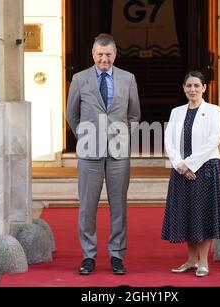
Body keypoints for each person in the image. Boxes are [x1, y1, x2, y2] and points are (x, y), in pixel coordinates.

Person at [66, 34, 141, 275]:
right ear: (93, 53)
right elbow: (72, 114)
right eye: (100, 54)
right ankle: (88, 256)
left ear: (115, 54)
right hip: (89, 153)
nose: (104, 59)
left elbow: (134, 115)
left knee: (118, 206)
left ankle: (117, 256)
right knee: (87, 206)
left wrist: (124, 137)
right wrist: (85, 137)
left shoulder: (128, 79)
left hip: (119, 153)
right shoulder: (79, 79)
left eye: (108, 54)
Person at [161, 70, 220, 277]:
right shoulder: (176, 112)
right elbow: (169, 140)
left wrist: (191, 165)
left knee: (204, 215)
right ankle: (190, 260)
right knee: (187, 214)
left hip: (205, 169)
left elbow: (213, 139)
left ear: (204, 88)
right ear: (183, 88)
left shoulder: (215, 111)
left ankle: (203, 262)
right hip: (181, 170)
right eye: (188, 86)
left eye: (196, 86)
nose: (192, 89)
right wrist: (180, 165)